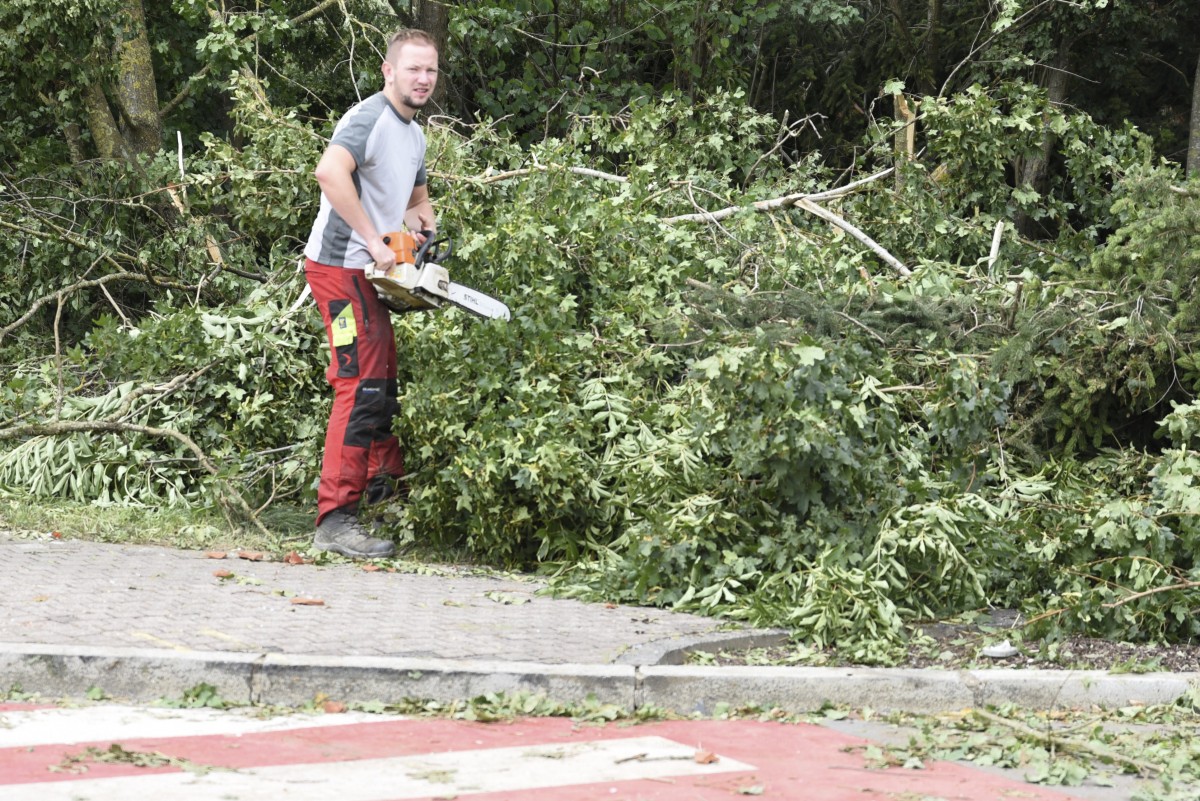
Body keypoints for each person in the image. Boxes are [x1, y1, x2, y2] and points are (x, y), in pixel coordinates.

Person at [302, 29, 439, 558]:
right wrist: (373, 240)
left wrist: (423, 229)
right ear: (389, 71)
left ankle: (384, 492)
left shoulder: (414, 135)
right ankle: (335, 519)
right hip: (339, 272)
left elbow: (416, 201)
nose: (422, 79)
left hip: (372, 273)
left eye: (430, 70)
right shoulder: (369, 118)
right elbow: (328, 172)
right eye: (413, 69)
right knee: (359, 383)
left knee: (381, 379)